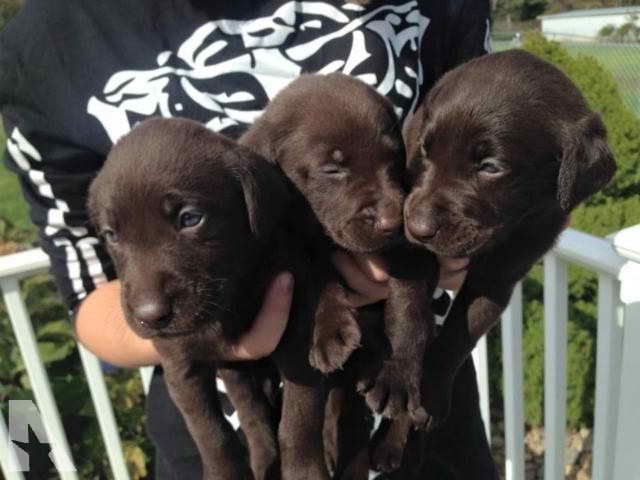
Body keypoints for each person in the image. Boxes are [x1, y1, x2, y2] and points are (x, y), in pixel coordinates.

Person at [0, 0, 490, 477]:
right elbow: (87, 292)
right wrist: (233, 339)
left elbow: (486, 162)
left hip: (415, 399)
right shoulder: (46, 44)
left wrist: (447, 246)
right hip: (226, 435)